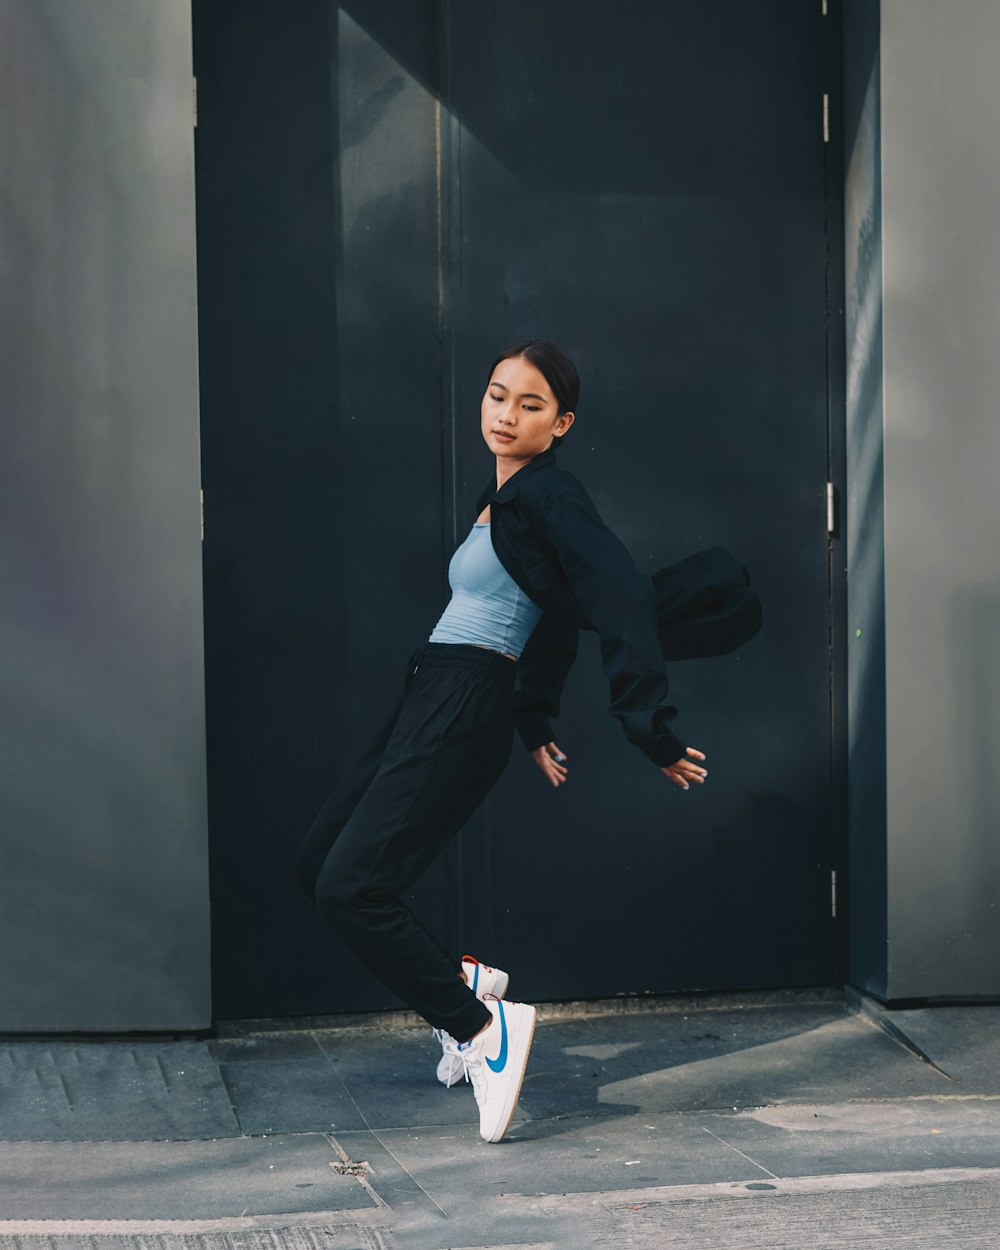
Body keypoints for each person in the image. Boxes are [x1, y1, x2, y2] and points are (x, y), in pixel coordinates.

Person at [294, 340, 760, 1144]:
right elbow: (551, 606)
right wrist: (535, 721)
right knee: (320, 866)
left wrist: (646, 726)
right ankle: (460, 985)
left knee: (351, 888)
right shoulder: (504, 496)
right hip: (434, 689)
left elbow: (613, 595)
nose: (506, 415)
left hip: (463, 698)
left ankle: (484, 1030)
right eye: (497, 395)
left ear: (562, 422)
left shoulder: (551, 495)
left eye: (530, 404)